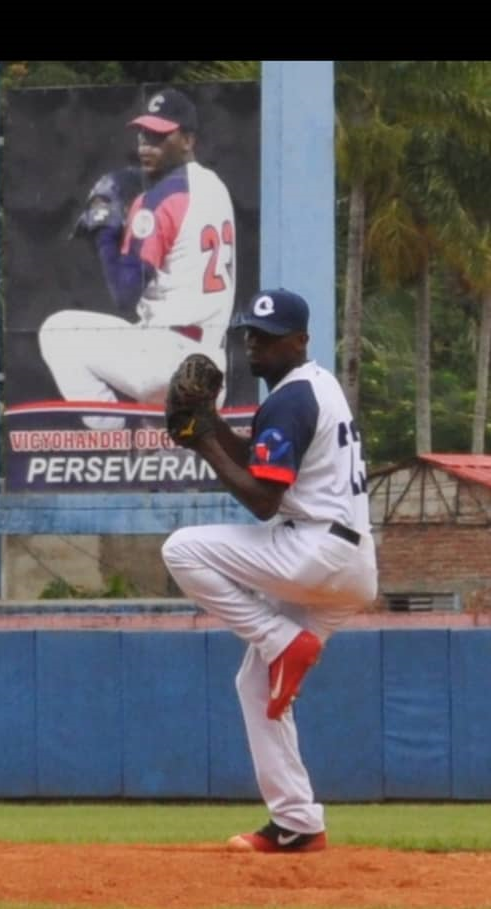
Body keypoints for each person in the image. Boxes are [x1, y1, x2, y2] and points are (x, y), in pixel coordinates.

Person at [162, 288, 378, 853]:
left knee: (183, 549)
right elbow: (260, 463)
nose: (255, 344)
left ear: (301, 339)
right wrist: (208, 430)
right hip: (344, 562)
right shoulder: (315, 387)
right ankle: (297, 823)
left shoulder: (288, 399)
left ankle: (282, 640)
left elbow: (262, 500)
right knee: (255, 684)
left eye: (270, 334)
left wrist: (204, 438)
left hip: (314, 553)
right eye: (250, 334)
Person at [38, 88, 236, 428]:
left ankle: (108, 431)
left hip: (164, 359)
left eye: (160, 135)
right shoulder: (215, 186)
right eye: (144, 133)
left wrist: (105, 234)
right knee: (167, 465)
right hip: (211, 368)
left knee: (56, 330)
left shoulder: (158, 200)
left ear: (188, 140)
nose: (147, 143)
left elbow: (124, 293)